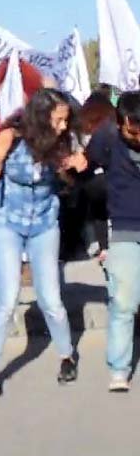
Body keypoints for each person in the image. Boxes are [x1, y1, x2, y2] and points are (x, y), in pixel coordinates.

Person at [0, 89, 83, 396]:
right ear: (42, 117)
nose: (63, 126)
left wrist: (73, 166)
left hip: (45, 221)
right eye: (59, 120)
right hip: (7, 221)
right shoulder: (12, 136)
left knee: (51, 299)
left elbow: (68, 179)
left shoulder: (62, 141)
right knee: (7, 298)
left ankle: (66, 355)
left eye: (66, 121)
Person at [86, 92, 140, 391]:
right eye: (133, 130)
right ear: (120, 123)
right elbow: (84, 171)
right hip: (123, 229)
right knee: (122, 301)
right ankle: (119, 369)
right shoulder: (106, 138)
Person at [79, 92, 116, 260]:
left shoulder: (100, 132)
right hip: (123, 181)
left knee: (95, 196)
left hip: (106, 181)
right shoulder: (116, 125)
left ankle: (103, 247)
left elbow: (90, 159)